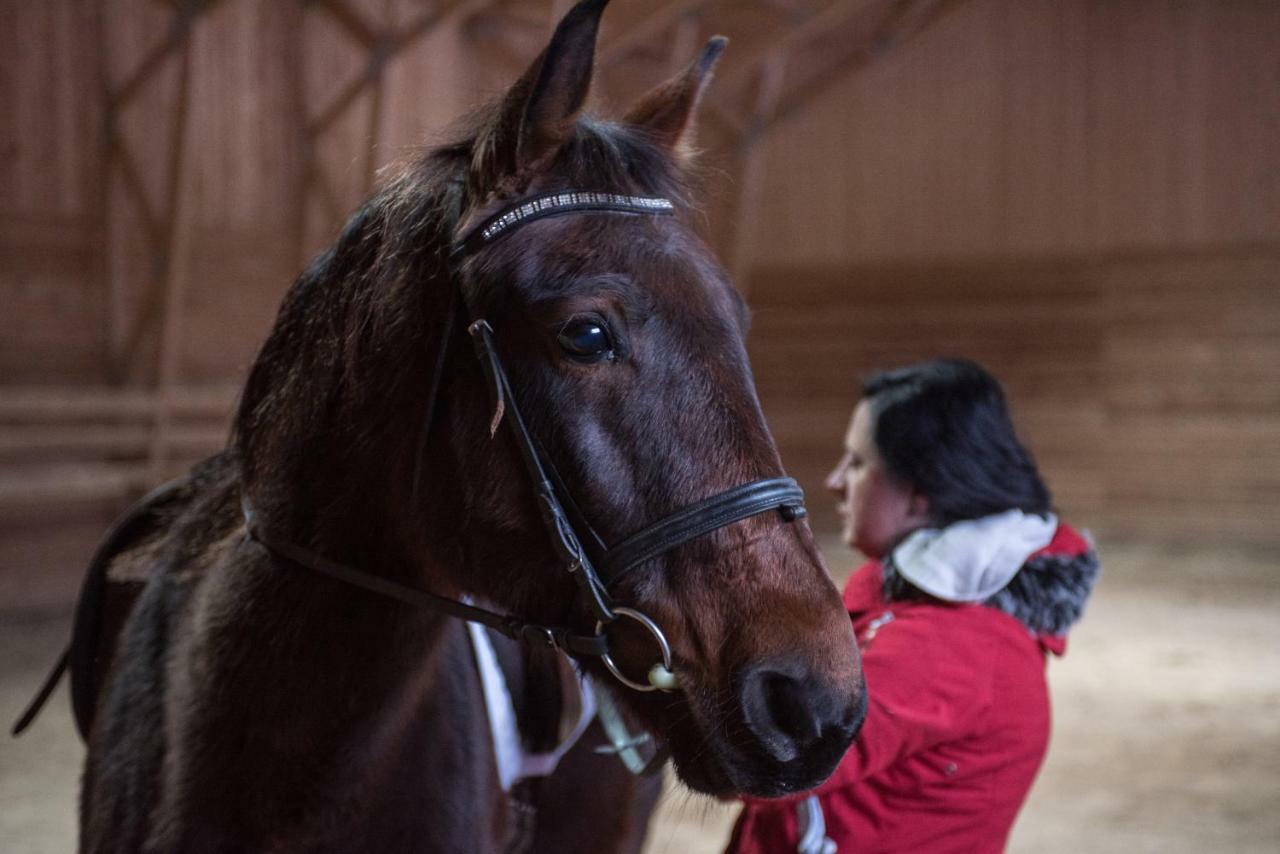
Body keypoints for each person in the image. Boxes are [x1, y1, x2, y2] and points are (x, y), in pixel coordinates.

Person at [726, 358, 1100, 854]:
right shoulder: (914, 602)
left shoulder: (951, 648)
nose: (835, 482)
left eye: (858, 464)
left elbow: (770, 768)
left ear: (920, 496)